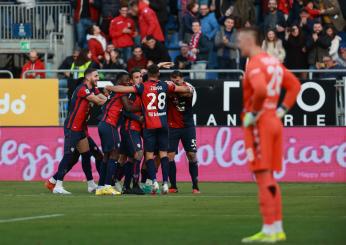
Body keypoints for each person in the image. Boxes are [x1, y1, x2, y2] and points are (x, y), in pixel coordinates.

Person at [237, 27, 301, 243]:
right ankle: (276, 228)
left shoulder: (254, 64)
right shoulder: (273, 62)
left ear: (249, 40)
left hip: (260, 124)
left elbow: (261, 90)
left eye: (240, 40)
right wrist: (281, 111)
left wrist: (253, 114)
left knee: (263, 176)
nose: (238, 44)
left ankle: (269, 230)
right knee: (269, 176)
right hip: (273, 119)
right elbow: (294, 86)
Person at [105, 64, 193, 194]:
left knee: (147, 155)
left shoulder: (142, 87)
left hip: (149, 125)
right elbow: (183, 88)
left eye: (141, 76)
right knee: (159, 154)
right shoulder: (164, 85)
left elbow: (124, 90)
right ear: (158, 74)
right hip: (158, 124)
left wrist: (108, 86)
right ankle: (163, 183)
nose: (139, 78)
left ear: (146, 76)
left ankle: (151, 181)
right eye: (137, 76)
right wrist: (190, 89)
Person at [52, 68, 107, 194]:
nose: (98, 78)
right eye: (96, 76)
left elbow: (101, 97)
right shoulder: (82, 89)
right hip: (73, 127)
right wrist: (111, 101)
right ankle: (58, 186)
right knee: (68, 155)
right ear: (88, 78)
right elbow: (98, 101)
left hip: (81, 127)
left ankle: (91, 184)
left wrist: (109, 99)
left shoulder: (93, 89)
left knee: (86, 155)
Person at [96, 73, 141, 195]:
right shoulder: (122, 92)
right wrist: (145, 108)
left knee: (106, 155)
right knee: (115, 154)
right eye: (126, 81)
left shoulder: (114, 92)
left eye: (129, 80)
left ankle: (100, 187)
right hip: (110, 124)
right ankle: (108, 185)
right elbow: (128, 108)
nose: (128, 82)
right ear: (120, 82)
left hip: (103, 124)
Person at [167, 71, 199, 194]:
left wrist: (173, 89)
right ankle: (173, 186)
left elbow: (187, 93)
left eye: (178, 79)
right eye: (173, 79)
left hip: (187, 127)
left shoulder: (189, 87)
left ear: (182, 79)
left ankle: (195, 186)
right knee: (170, 156)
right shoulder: (168, 88)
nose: (176, 81)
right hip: (172, 127)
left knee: (191, 155)